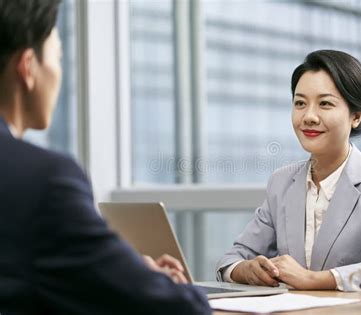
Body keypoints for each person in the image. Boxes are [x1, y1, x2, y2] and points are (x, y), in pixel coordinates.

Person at [0, 0, 211, 314]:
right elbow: (178, 310)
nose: (59, 75)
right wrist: (156, 283)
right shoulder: (44, 182)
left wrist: (119, 269)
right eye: (58, 58)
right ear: (28, 67)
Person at [216, 50, 361, 291]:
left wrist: (318, 280)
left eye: (325, 104)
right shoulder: (282, 183)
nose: (308, 116)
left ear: (356, 117)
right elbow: (231, 260)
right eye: (300, 103)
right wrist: (246, 270)